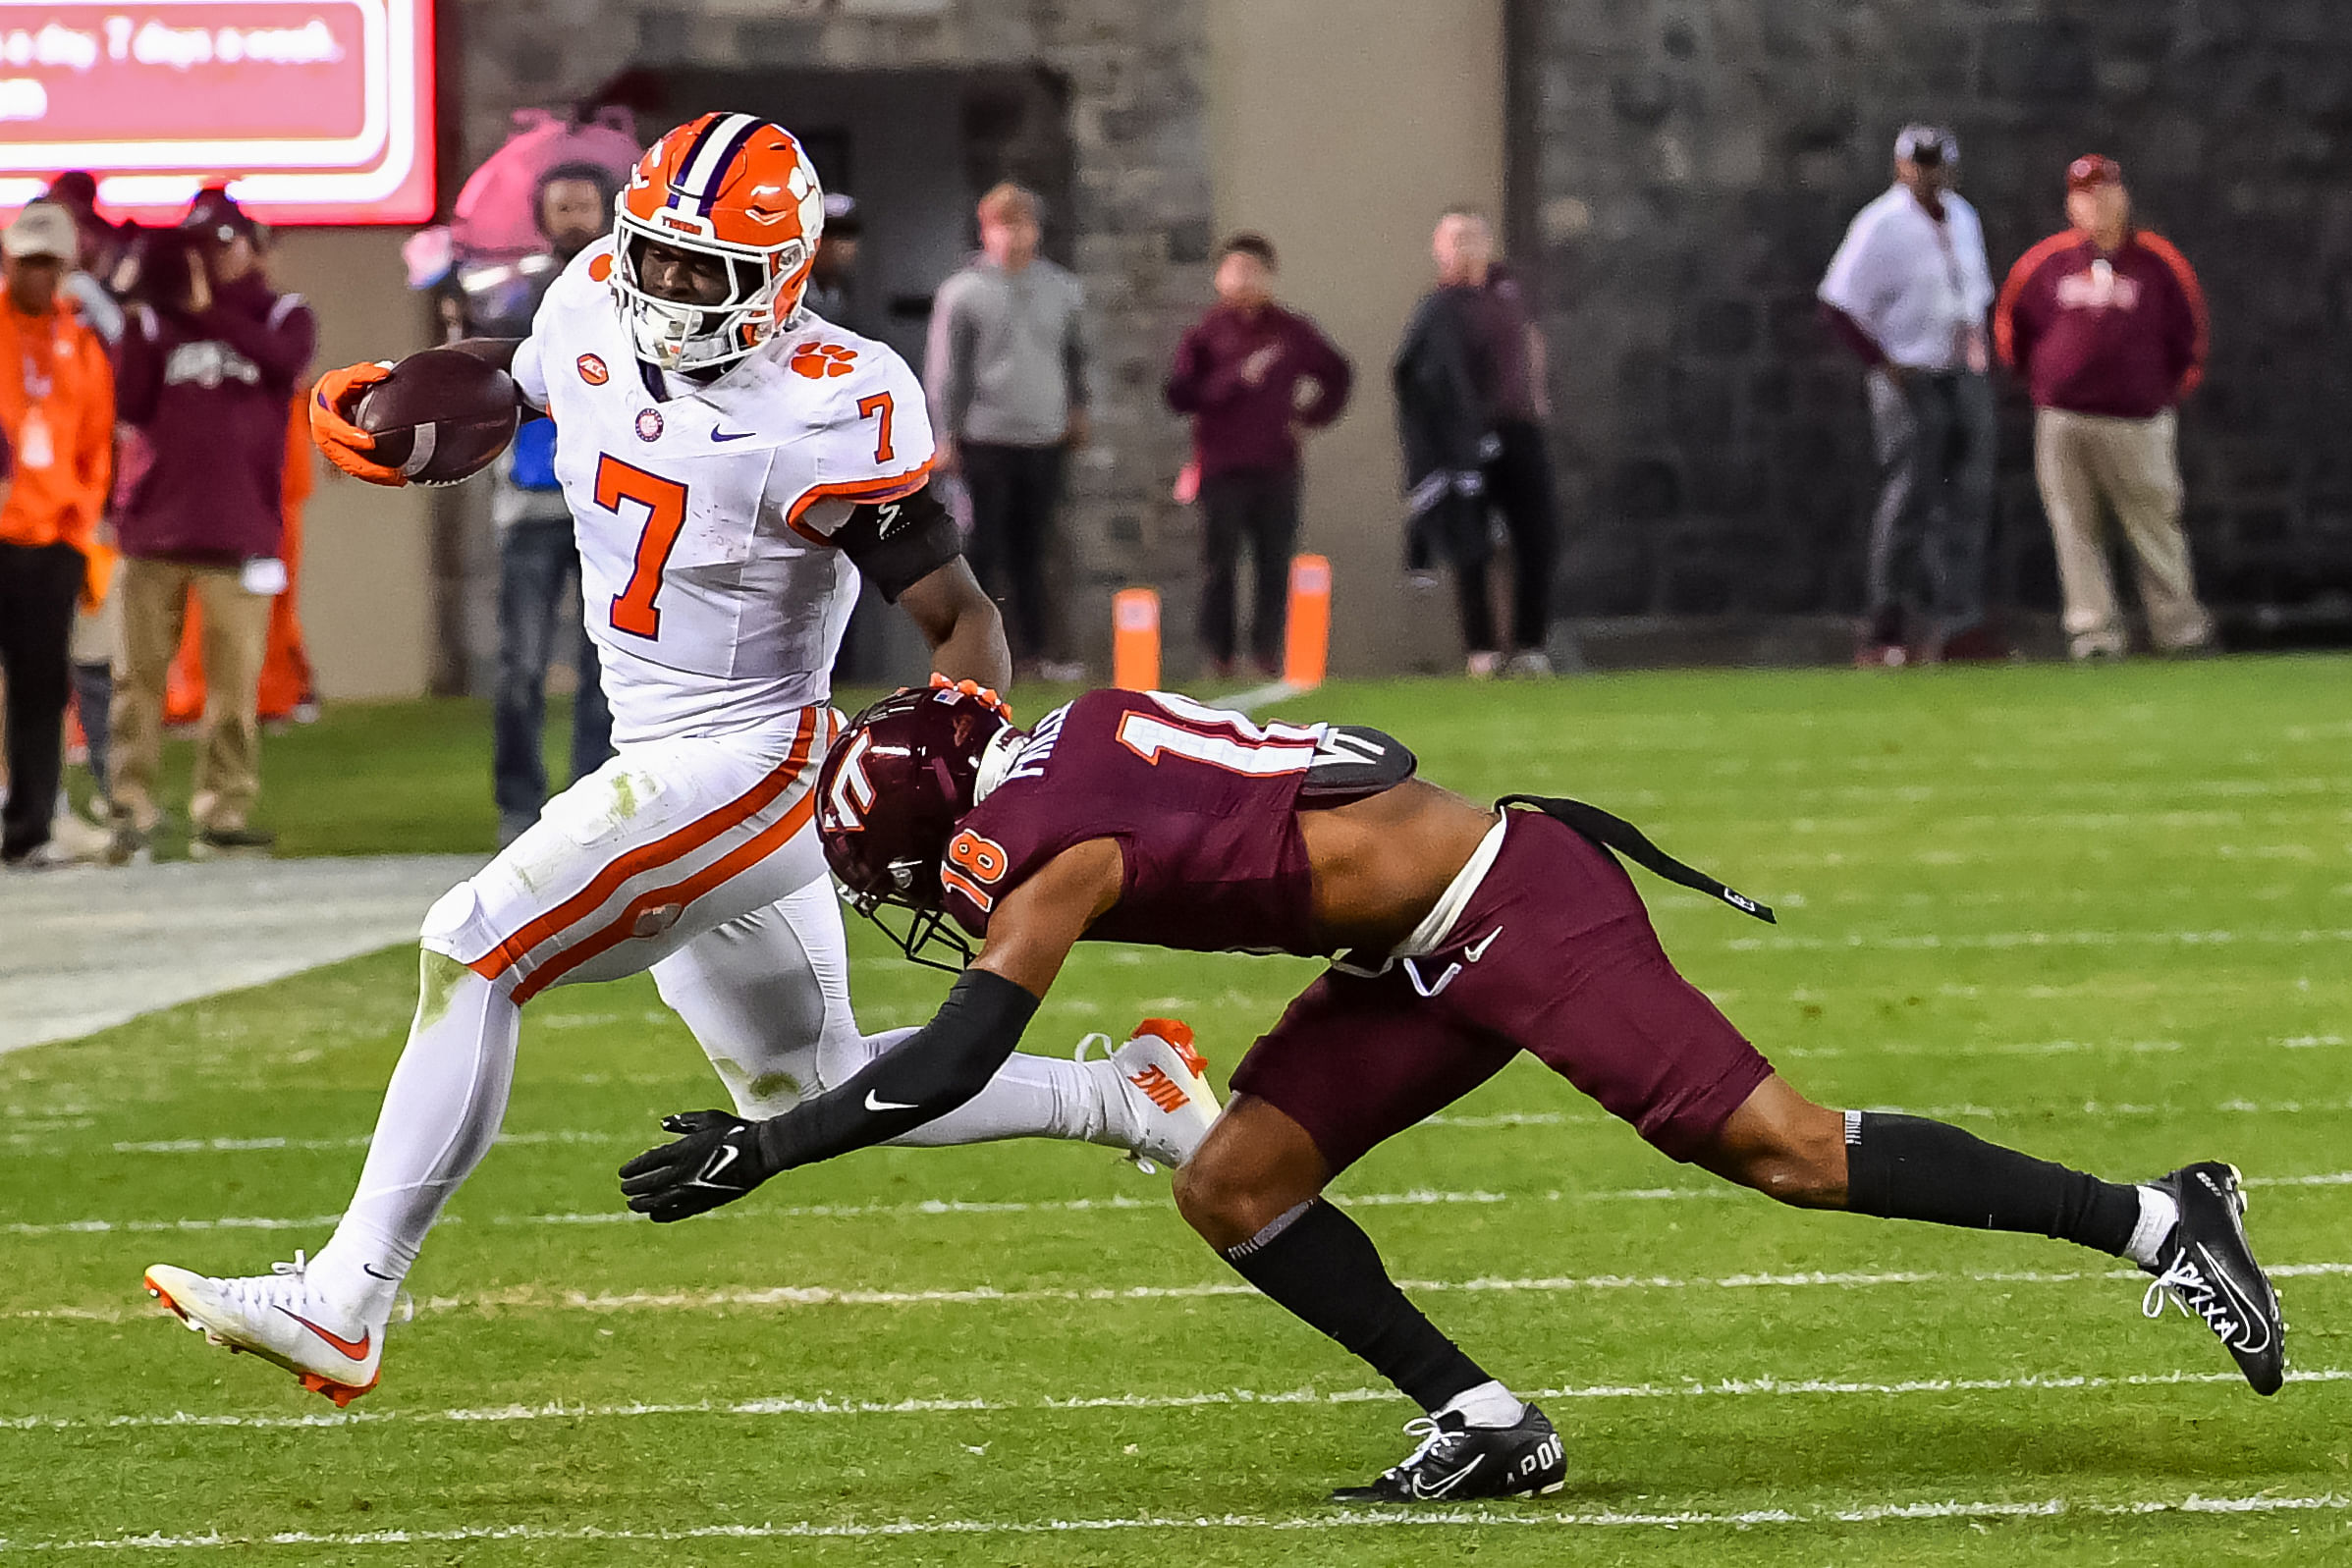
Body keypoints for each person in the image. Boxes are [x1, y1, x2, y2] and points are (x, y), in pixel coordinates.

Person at [139, 116, 1220, 1409]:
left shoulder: (834, 400)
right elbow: (530, 371)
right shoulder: (594, 297)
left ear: (782, 273)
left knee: (473, 944)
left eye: (702, 272)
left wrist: (954, 741)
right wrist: (414, 397)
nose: (664, 290)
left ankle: (348, 1298)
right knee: (804, 1081)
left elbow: (960, 615)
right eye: (651, 257)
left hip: (754, 757)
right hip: (656, 748)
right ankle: (1129, 1096)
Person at [619, 681, 2288, 1503]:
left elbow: (959, 1055)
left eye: (908, 876)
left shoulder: (1043, 847)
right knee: (1234, 1175)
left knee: (1785, 1149)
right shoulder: (1062, 739)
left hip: (1504, 900)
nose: (928, 901)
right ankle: (1485, 1421)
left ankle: (2157, 1215)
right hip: (1412, 941)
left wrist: (771, 1144)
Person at [106, 188, 316, 863]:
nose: (212, 258)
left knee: (234, 685)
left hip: (239, 526)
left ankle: (222, 810)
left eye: (224, 243)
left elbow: (285, 365)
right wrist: (142, 307)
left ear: (253, 247)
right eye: (200, 245)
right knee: (137, 680)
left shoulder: (280, 313)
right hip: (154, 524)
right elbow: (130, 402)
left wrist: (209, 314)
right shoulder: (152, 321)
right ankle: (129, 804)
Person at [1995, 155, 2215, 661]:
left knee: (2155, 524)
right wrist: (2044, 385)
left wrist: (2162, 394)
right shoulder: (2046, 263)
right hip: (2065, 420)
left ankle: (2177, 628)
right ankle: (2094, 634)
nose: (2097, 203)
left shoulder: (2158, 262)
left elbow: (2190, 334)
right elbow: (2012, 328)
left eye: (2105, 191)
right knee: (2075, 528)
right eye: (2085, 194)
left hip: (2137, 421)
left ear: (2123, 195)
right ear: (2071, 204)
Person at [468, 161, 621, 843]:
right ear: (542, 217)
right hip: (530, 502)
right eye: (562, 208)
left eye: (584, 206)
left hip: (607, 504)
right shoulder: (519, 295)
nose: (574, 219)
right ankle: (518, 804)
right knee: (521, 665)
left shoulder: (626, 299)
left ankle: (590, 798)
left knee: (605, 665)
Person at [1819, 125, 1998, 667]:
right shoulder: (1881, 224)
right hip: (1910, 374)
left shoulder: (1963, 217)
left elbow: (1974, 292)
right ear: (1901, 166)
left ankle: (1958, 622)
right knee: (1910, 499)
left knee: (1968, 496)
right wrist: (1883, 363)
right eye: (1920, 164)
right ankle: (1885, 626)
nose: (1930, 174)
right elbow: (1838, 303)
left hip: (1962, 372)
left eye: (1938, 164)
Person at [1165, 234, 1352, 677]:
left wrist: (1309, 418)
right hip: (1221, 465)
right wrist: (1235, 379)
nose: (1245, 280)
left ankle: (1267, 652)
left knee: (1274, 562)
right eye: (1236, 271)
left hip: (1277, 465)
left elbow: (1337, 374)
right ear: (1219, 278)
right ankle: (1220, 656)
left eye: (1254, 271)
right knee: (1220, 565)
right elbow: (1180, 394)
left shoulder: (1290, 332)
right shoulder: (1205, 334)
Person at [924, 183, 1090, 680]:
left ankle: (1036, 654)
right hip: (984, 436)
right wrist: (944, 434)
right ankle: (976, 653)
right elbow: (946, 370)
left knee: (1034, 549)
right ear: (986, 230)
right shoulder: (963, 293)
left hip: (1043, 434)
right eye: (1003, 226)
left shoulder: (1063, 290)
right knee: (984, 548)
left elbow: (1077, 357)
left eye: (1022, 225)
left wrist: (1078, 410)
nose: (1014, 237)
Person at [1394, 211, 1561, 678]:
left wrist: (1537, 395)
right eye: (1456, 240)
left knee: (1538, 535)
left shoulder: (1508, 295)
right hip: (1464, 438)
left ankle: (1530, 646)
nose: (1467, 248)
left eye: (1474, 238)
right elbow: (1417, 376)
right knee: (1472, 543)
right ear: (1439, 250)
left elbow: (1530, 342)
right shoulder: (1438, 309)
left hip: (1518, 428)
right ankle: (1481, 650)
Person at [0, 202, 115, 868]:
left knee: (42, 691)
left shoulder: (80, 342)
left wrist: (79, 528)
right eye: (26, 261)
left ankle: (31, 826)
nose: (37, 275)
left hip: (52, 543)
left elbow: (94, 442)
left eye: (48, 263)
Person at [801, 191, 862, 327]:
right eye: (830, 233)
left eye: (848, 233)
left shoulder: (843, 288)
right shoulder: (793, 286)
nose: (840, 244)